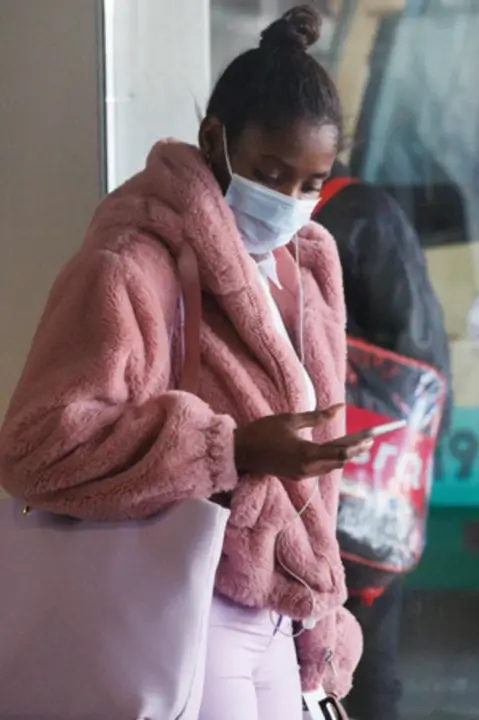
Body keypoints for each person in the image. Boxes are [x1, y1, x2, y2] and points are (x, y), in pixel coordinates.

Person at [0, 7, 364, 719]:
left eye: (310, 182)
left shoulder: (306, 270)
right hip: (188, 604)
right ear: (212, 140)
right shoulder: (130, 264)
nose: (289, 201)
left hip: (284, 623)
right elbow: (37, 445)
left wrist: (322, 611)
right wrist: (225, 449)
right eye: (269, 172)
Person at [314, 162, 453, 719]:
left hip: (357, 498)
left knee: (364, 667)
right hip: (310, 487)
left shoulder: (362, 215)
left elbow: (421, 377)